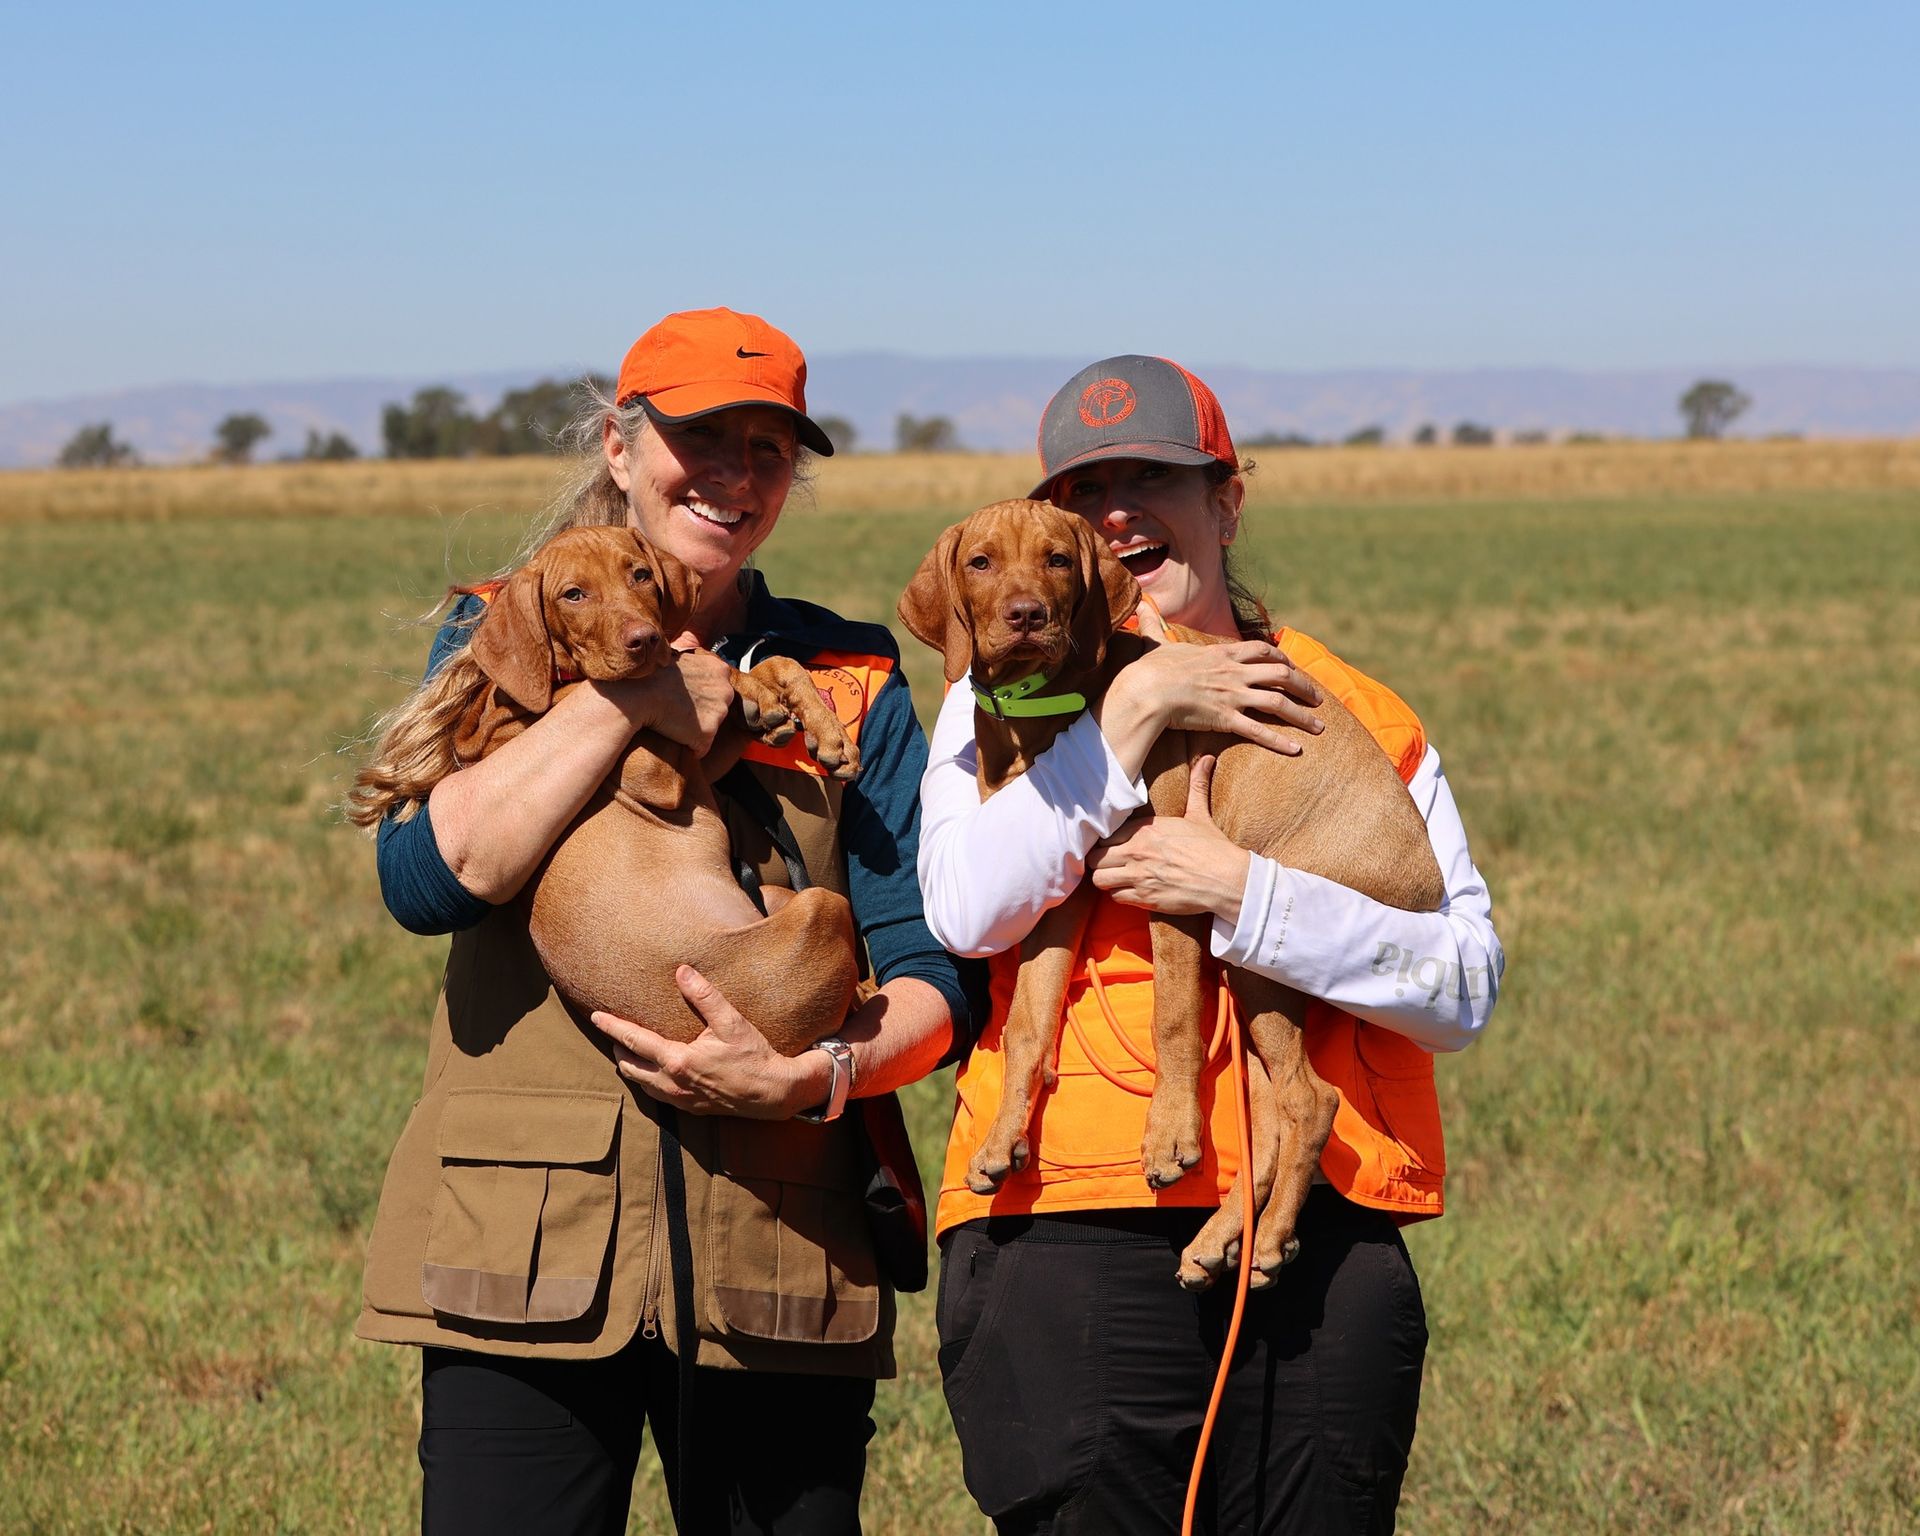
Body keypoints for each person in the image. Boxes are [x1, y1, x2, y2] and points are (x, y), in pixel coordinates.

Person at [351, 308, 976, 1535]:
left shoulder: (847, 675)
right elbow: (428, 881)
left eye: (770, 451)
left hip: (778, 1252)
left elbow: (934, 971)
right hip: (520, 1245)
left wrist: (814, 1076)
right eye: (702, 439)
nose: (736, 478)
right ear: (621, 445)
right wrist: (638, 689)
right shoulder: (505, 626)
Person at [917, 355, 1503, 1535]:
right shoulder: (992, 707)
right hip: (1063, 1224)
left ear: (1228, 503)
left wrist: (1249, 891)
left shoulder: (1350, 710)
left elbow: (1465, 987)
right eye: (1085, 493)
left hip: (1323, 1235)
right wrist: (1129, 717)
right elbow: (968, 914)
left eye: (1156, 478)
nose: (1117, 512)